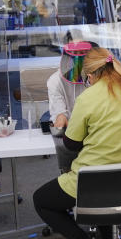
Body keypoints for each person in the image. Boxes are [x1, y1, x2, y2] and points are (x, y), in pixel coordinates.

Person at [32, 47, 121, 239]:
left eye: (86, 78)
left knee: (42, 200)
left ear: (92, 75)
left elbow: (70, 144)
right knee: (108, 194)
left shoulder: (89, 97)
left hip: (92, 185)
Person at [46, 41, 97, 172]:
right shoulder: (55, 81)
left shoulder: (98, 78)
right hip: (72, 134)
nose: (78, 65)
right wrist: (60, 117)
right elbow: (60, 114)